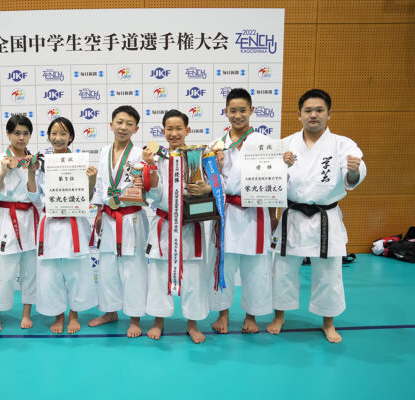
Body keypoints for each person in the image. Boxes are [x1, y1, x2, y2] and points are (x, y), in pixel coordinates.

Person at [267, 89, 366, 343]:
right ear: (299, 115)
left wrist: (354, 171)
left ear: (329, 114)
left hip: (325, 217)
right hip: (292, 216)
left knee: (329, 274)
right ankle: (279, 316)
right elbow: (272, 183)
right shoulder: (285, 145)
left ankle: (328, 323)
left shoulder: (343, 145)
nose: (313, 115)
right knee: (283, 269)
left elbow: (352, 178)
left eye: (319, 110)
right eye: (308, 110)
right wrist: (282, 167)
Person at [208, 88, 287, 334]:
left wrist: (273, 216)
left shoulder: (266, 144)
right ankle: (223, 314)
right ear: (225, 112)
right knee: (224, 264)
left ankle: (251, 315)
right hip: (226, 213)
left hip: (256, 213)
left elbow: (274, 183)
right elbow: (208, 183)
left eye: (243, 110)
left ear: (252, 111)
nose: (238, 115)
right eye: (233, 110)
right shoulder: (216, 145)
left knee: (256, 267)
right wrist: (216, 165)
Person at [142, 110, 212, 343]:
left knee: (193, 276)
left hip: (190, 224)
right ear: (163, 132)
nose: (174, 133)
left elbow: (212, 188)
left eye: (178, 128)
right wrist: (151, 168)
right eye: (169, 129)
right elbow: (154, 194)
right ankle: (158, 321)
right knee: (159, 274)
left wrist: (207, 187)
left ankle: (192, 324)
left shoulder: (198, 156)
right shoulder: (156, 157)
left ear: (187, 130)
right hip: (164, 224)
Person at [26, 117, 98, 334]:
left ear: (71, 137)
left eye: (63, 133)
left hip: (72, 223)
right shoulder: (42, 163)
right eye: (54, 133)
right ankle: (58, 315)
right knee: (51, 273)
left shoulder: (79, 162)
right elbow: (33, 197)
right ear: (48, 136)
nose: (58, 138)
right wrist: (31, 171)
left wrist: (91, 180)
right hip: (50, 224)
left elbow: (86, 198)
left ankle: (74, 315)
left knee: (76, 272)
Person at [88, 105, 149, 338]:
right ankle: (110, 311)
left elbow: (146, 187)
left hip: (131, 217)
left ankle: (135, 317)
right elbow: (101, 184)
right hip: (108, 216)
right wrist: (99, 211)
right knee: (107, 267)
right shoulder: (104, 152)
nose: (123, 127)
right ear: (111, 124)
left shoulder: (140, 154)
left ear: (136, 129)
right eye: (120, 122)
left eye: (129, 124)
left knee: (133, 268)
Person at [0, 115, 39, 332]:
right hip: (5, 217)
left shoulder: (34, 161)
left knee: (30, 269)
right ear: (8, 134)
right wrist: (3, 172)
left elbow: (36, 196)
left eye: (25, 133)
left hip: (29, 217)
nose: (21, 138)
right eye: (17, 133)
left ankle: (26, 313)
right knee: (1, 269)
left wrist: (32, 172)